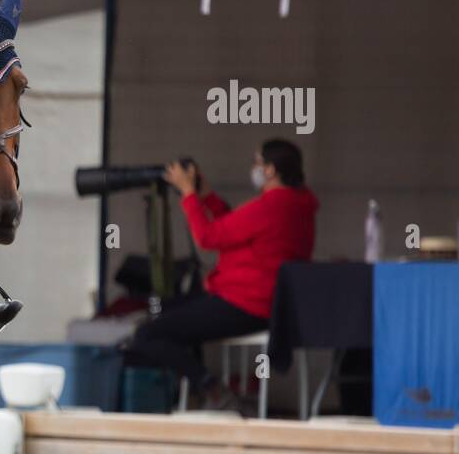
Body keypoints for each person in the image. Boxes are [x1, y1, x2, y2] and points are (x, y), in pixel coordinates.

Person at [128, 139, 319, 410]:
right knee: (160, 310)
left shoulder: (270, 207)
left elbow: (208, 237)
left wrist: (188, 195)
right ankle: (202, 386)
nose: (253, 168)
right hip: (263, 302)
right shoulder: (296, 205)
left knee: (147, 334)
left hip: (244, 304)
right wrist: (206, 196)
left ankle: (211, 389)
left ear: (270, 170)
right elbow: (235, 227)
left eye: (257, 162)